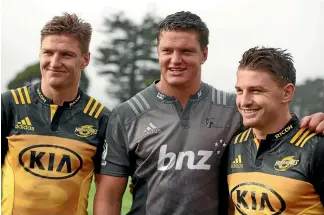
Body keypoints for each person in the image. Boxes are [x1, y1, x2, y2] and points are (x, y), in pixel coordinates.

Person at [94, 11, 324, 215]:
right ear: (158, 52)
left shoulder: (233, 109)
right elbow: (108, 197)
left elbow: (276, 127)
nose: (175, 60)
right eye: (167, 50)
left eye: (186, 51)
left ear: (204, 54)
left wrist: (317, 122)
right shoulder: (126, 114)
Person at [1, 13, 110, 215]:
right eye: (48, 53)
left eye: (66, 54)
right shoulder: (9, 105)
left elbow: (108, 195)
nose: (54, 62)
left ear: (85, 59)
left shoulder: (101, 118)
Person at [227, 47, 324, 214]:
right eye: (239, 91)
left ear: (286, 93)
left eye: (256, 90)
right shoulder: (234, 144)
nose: (244, 101)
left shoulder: (316, 147)